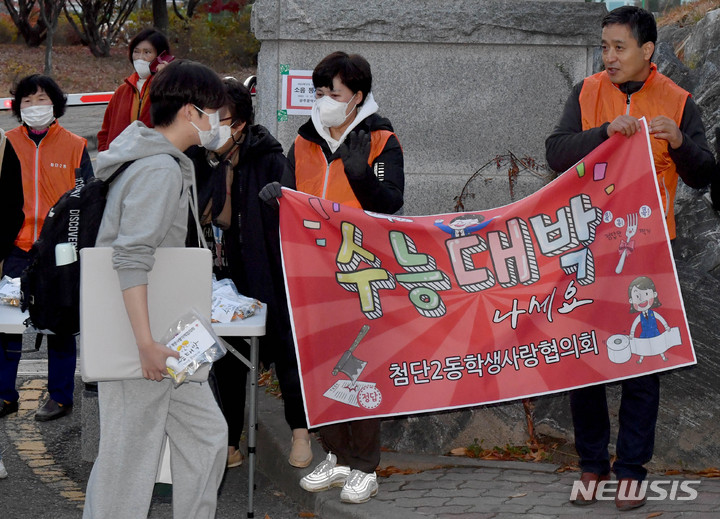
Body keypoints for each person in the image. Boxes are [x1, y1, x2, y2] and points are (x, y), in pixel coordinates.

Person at [545, 6, 716, 512]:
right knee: (586, 365)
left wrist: (681, 142)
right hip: (587, 252)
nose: (609, 57)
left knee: (642, 364)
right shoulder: (587, 92)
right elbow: (556, 152)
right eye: (604, 47)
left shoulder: (679, 102)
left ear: (648, 51)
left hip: (647, 255)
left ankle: (632, 471)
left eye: (619, 47)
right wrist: (602, 134)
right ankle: (592, 465)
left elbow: (706, 175)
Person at [83, 60, 228, 519]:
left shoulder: (151, 160)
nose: (218, 125)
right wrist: (145, 344)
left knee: (206, 436)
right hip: (145, 341)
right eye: (215, 114)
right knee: (129, 458)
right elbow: (130, 255)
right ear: (191, 112)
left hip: (165, 338)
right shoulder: (158, 170)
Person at [261, 51, 404, 504]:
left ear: (357, 96)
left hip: (362, 272)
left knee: (359, 367)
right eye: (319, 92)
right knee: (321, 367)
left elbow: (391, 204)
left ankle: (364, 465)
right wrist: (276, 195)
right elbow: (293, 194)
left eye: (333, 93)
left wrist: (362, 175)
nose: (323, 101)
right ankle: (337, 454)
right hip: (313, 275)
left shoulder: (380, 138)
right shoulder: (305, 139)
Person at [186, 77, 313, 469]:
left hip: (269, 273)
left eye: (216, 118)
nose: (207, 125)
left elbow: (292, 219)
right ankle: (228, 442)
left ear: (238, 125)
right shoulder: (197, 157)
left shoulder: (271, 158)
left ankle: (300, 432)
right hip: (223, 275)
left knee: (287, 354)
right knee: (226, 361)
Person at [0, 75, 93, 422]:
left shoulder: (75, 145)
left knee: (60, 324)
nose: (35, 107)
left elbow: (88, 200)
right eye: (27, 101)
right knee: (6, 324)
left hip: (59, 251)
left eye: (41, 100)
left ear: (55, 105)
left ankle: (60, 396)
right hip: (15, 247)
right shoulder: (5, 143)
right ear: (17, 107)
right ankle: (4, 394)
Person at [96, 28, 172, 152]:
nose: (140, 57)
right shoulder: (122, 91)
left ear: (161, 56)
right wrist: (105, 154)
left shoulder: (168, 89)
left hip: (151, 162)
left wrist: (166, 79)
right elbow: (105, 131)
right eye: (136, 52)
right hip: (118, 164)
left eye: (147, 52)